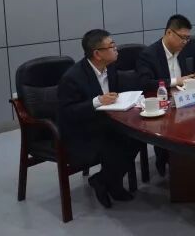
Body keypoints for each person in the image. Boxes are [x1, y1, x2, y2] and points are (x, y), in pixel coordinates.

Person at [57, 29, 141, 208]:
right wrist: (97, 101)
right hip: (81, 130)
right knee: (116, 144)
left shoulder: (110, 68)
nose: (116, 49)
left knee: (136, 138)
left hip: (105, 123)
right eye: (112, 46)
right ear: (97, 54)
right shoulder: (73, 77)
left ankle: (104, 180)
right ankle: (110, 184)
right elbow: (67, 113)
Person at [136, 14, 195, 176]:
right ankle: (167, 160)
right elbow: (145, 83)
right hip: (162, 107)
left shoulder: (180, 51)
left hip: (182, 102)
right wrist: (176, 81)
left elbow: (184, 77)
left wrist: (194, 76)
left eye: (188, 38)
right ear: (169, 33)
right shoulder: (149, 54)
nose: (185, 42)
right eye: (183, 37)